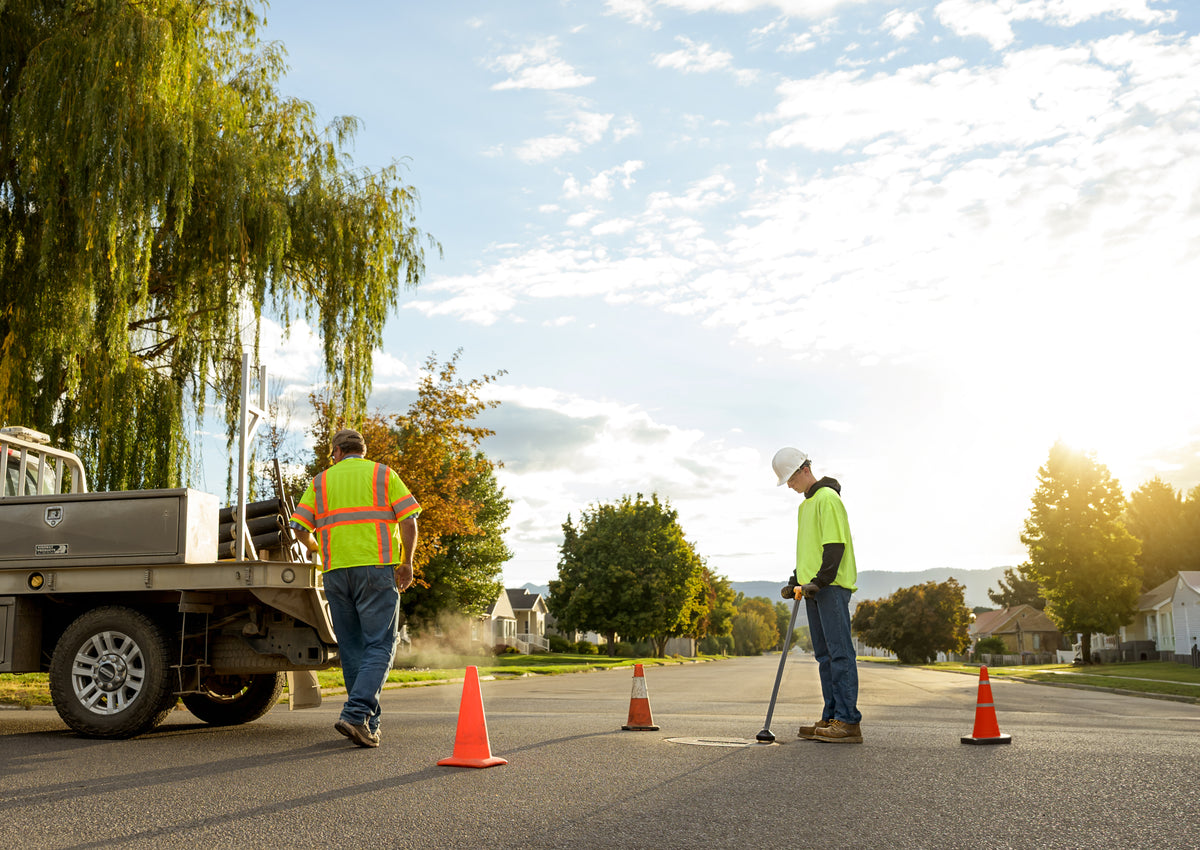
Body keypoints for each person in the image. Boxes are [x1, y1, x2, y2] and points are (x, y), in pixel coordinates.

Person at [290, 428, 420, 748]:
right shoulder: (383, 474)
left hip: (335, 572)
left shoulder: (321, 481)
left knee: (352, 649)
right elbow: (408, 520)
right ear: (362, 450)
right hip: (377, 569)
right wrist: (407, 562)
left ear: (336, 452)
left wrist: (318, 549)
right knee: (379, 645)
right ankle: (356, 712)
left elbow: (298, 530)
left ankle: (367, 724)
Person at [772, 447, 862, 744]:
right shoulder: (805, 506)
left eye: (790, 478)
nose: (789, 485)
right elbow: (809, 550)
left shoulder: (828, 499)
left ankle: (848, 721)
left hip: (831, 587)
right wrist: (795, 580)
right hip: (813, 589)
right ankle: (831, 716)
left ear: (804, 470)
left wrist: (820, 582)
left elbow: (834, 546)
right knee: (824, 656)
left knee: (839, 653)